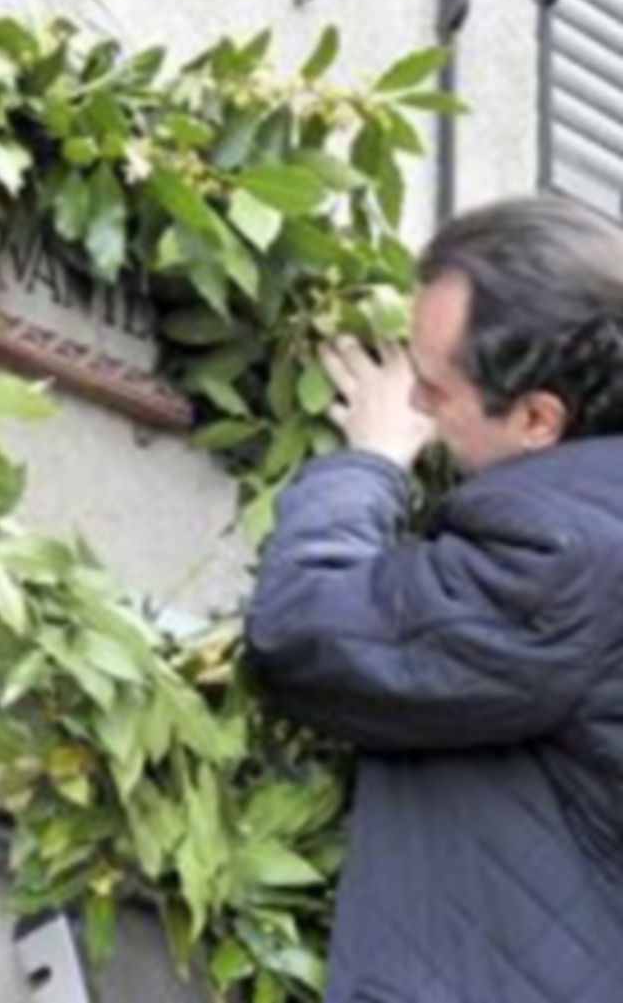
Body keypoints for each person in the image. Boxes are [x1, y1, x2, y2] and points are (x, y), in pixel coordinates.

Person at [245, 195, 623, 1003]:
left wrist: (372, 463)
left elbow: (306, 628)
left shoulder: (564, 560)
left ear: (535, 418)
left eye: (431, 388)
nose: (412, 403)